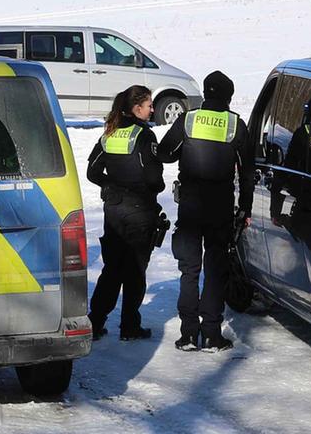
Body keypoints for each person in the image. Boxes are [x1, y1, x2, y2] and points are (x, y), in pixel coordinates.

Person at [157, 70, 255, 352]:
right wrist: (244, 207)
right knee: (215, 270)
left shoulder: (188, 119)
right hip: (220, 205)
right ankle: (212, 333)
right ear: (228, 97)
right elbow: (247, 172)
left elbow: (165, 154)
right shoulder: (236, 125)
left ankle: (188, 334)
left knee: (189, 269)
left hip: (190, 205)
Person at [86, 86, 166, 340]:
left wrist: (110, 186)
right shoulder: (144, 136)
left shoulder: (109, 134)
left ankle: (95, 322)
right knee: (134, 271)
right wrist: (155, 187)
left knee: (112, 269)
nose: (152, 109)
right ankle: (130, 327)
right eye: (149, 105)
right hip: (139, 211)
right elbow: (154, 178)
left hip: (114, 212)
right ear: (136, 108)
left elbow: (92, 172)